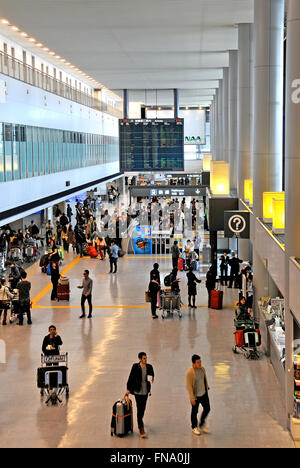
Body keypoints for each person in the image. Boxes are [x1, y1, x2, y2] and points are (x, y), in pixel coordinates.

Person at [126, 352, 155, 438]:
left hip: (145, 391)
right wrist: (128, 389)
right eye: (144, 358)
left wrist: (152, 378)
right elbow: (131, 377)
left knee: (143, 408)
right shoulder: (135, 367)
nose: (145, 360)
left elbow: (152, 375)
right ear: (140, 359)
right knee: (139, 408)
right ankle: (141, 428)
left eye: (146, 358)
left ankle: (140, 419)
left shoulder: (149, 367)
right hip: (138, 391)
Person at [186, 354, 211, 436]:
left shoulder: (202, 369)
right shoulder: (190, 372)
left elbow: (204, 379)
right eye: (198, 362)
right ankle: (194, 427)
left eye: (200, 362)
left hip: (204, 394)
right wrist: (191, 397)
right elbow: (189, 386)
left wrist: (207, 387)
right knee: (194, 412)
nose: (200, 364)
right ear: (193, 364)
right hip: (196, 396)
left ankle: (201, 424)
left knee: (207, 408)